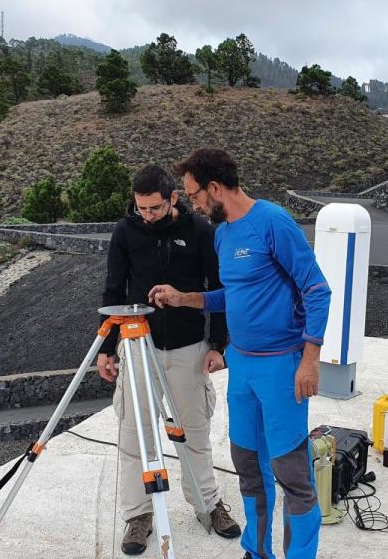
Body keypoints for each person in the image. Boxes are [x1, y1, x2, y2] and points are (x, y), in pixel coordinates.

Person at [148, 149, 331, 559]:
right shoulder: (224, 234)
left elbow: (316, 289)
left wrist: (310, 357)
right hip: (243, 366)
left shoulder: (272, 221)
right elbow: (230, 296)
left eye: (194, 194)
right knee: (247, 466)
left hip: (282, 365)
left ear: (215, 188)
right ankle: (257, 551)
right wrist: (183, 298)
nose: (191, 202)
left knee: (291, 473)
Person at [98, 164, 241, 555]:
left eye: (155, 208)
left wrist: (218, 344)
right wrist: (107, 349)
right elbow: (114, 289)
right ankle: (138, 516)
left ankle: (208, 506)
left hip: (189, 348)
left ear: (173, 198)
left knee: (194, 434)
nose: (147, 215)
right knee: (133, 435)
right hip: (138, 348)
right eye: (141, 208)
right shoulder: (125, 231)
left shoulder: (200, 232)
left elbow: (220, 289)